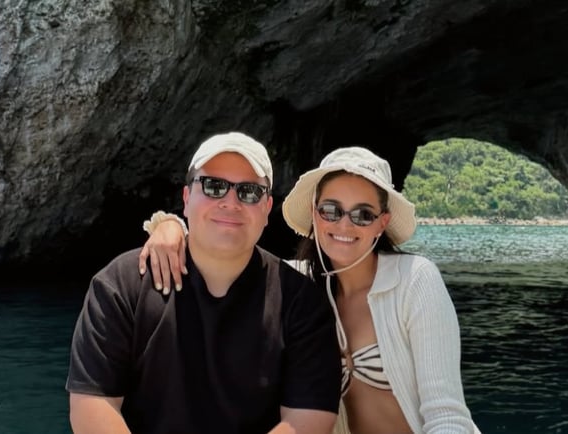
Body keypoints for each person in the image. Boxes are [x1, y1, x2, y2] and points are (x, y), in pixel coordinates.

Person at [139, 146, 480, 433]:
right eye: (331, 210)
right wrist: (169, 227)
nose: (344, 224)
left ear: (382, 222)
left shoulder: (414, 280)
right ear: (315, 215)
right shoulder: (295, 284)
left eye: (362, 214)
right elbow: (225, 252)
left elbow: (447, 416)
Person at [66, 132, 341, 434]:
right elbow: (93, 405)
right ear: (185, 199)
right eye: (213, 186)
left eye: (249, 192)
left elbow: (308, 418)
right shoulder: (120, 285)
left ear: (266, 209)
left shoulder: (301, 302)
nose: (230, 202)